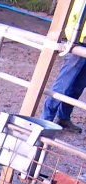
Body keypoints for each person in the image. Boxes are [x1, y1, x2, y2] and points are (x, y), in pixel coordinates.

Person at [42, 0, 86, 133]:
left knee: (78, 86)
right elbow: (75, 14)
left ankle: (64, 117)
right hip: (79, 42)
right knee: (63, 84)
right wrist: (74, 38)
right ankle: (46, 119)